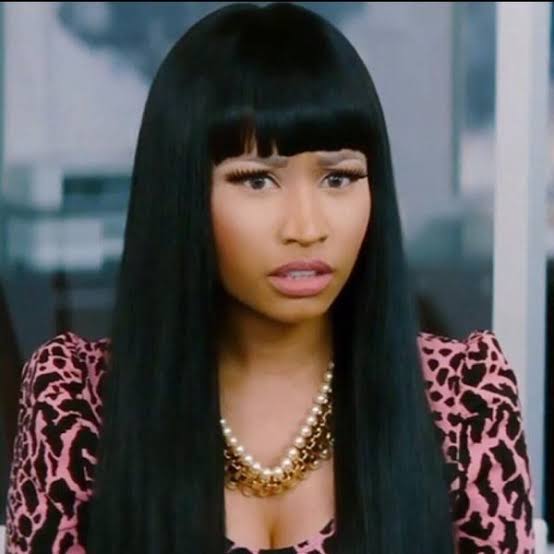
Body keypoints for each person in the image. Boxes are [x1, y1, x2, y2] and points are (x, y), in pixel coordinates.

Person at [4, 3, 535, 553]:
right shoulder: (73, 404)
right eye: (257, 181)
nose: (306, 228)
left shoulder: (464, 401)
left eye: (338, 178)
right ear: (182, 192)